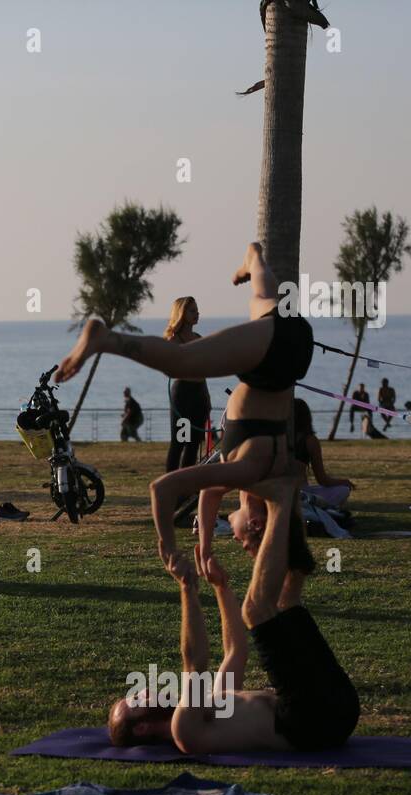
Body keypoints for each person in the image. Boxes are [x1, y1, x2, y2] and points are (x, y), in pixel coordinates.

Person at [58, 241, 313, 632]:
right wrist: (169, 550)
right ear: (258, 525)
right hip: (276, 355)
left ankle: (255, 256)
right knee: (182, 363)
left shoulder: (261, 477)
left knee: (263, 297)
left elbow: (209, 496)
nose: (238, 538)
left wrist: (205, 547)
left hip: (287, 352)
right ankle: (105, 339)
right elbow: (161, 488)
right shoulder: (250, 473)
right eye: (243, 540)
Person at [107, 525, 359, 754]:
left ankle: (287, 510)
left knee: (288, 594)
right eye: (137, 700)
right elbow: (195, 662)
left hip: (335, 710)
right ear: (142, 728)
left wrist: (220, 588)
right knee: (265, 609)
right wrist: (187, 588)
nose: (145, 691)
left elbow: (235, 651)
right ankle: (281, 509)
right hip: (307, 724)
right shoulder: (185, 732)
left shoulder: (212, 705)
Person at [163, 297, 211, 472]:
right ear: (181, 313)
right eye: (192, 311)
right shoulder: (174, 341)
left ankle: (186, 487)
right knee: (179, 442)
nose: (197, 314)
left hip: (200, 393)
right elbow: (168, 369)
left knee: (193, 444)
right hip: (183, 395)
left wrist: (206, 398)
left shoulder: (199, 338)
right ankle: (171, 485)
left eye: (197, 310)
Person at [293, 399, 355, 508]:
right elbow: (323, 480)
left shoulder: (276, 437)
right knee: (343, 490)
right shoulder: (310, 441)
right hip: (300, 494)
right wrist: (344, 482)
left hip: (279, 492)